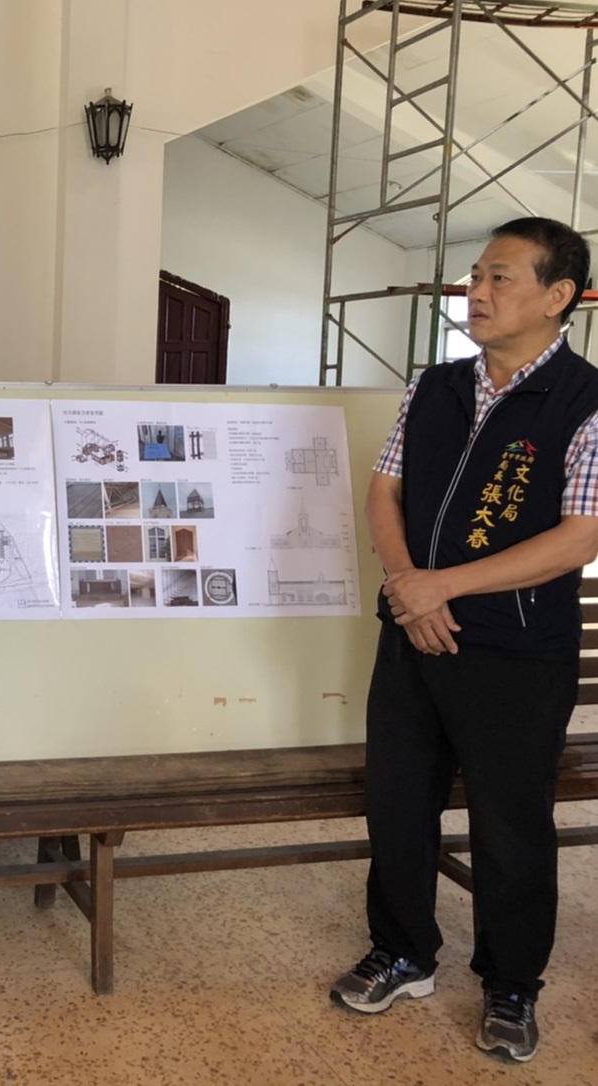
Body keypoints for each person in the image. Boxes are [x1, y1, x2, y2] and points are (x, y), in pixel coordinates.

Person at [330, 217, 598, 1063]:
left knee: (510, 824)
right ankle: (403, 950)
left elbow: (581, 536)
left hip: (516, 653)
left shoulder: (585, 401)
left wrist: (442, 586)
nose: (476, 292)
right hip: (414, 634)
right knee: (397, 800)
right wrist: (409, 586)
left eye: (500, 278)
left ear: (558, 297)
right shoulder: (435, 386)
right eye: (475, 276)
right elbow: (384, 491)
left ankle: (512, 984)